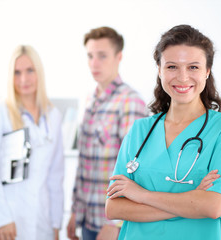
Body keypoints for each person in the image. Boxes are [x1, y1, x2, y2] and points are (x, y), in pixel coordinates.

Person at [106, 24, 221, 240]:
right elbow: (114, 208)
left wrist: (141, 195)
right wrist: (191, 201)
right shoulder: (139, 131)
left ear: (207, 71)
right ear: (160, 70)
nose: (182, 78)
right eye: (172, 67)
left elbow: (213, 206)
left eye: (193, 67)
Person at [0, 45, 65, 240]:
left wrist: (56, 224)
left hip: (42, 221)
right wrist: (1, 218)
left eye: (30, 70)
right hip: (7, 219)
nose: (23, 79)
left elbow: (55, 176)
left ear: (39, 72)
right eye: (17, 73)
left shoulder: (53, 116)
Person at [67, 26, 147, 240]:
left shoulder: (130, 101)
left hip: (114, 225)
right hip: (87, 220)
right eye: (90, 56)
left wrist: (115, 223)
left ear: (118, 57)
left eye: (102, 56)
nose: (94, 63)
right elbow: (84, 164)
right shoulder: (88, 101)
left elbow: (135, 167)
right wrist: (75, 211)